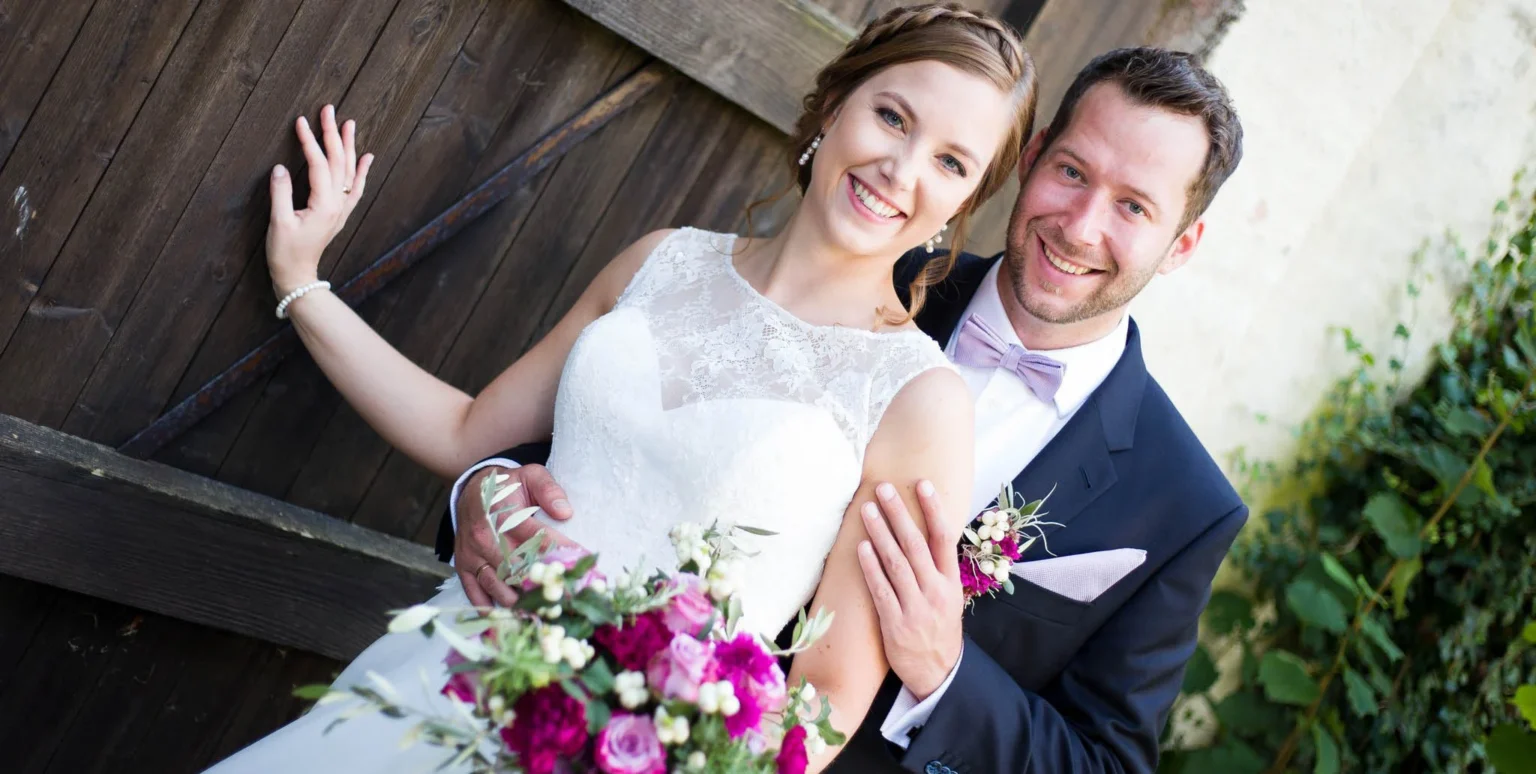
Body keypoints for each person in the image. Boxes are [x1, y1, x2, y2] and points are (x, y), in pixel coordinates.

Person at [205, 5, 1038, 773]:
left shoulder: (919, 399)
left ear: (963, 202)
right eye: (891, 116)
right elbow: (463, 432)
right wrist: (301, 281)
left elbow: (820, 708)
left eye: (950, 162)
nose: (900, 168)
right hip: (449, 675)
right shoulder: (661, 259)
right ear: (834, 105)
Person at [444, 47, 1249, 773]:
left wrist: (946, 675)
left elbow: (1103, 764)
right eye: (1072, 171)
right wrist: (482, 489)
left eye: (1134, 207)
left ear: (1181, 244)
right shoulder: (860, 259)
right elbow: (626, 431)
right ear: (1032, 157)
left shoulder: (1184, 506)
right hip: (573, 716)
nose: (1081, 226)